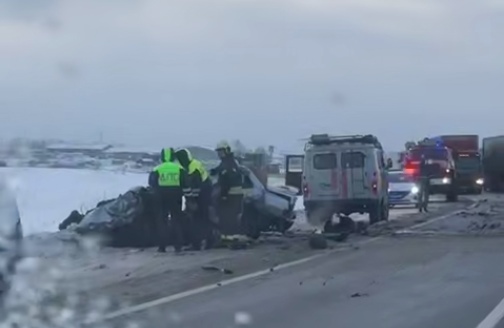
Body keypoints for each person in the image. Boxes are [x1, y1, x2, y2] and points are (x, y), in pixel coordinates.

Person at [175, 148, 214, 250]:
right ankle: (208, 241)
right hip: (205, 194)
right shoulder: (193, 164)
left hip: (202, 196)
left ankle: (197, 244)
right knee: (203, 219)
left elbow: (195, 186)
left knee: (197, 220)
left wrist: (192, 201)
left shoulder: (192, 169)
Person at [148, 148, 186, 253]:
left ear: (162, 156)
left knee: (162, 221)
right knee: (177, 220)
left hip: (161, 197)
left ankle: (162, 247)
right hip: (176, 196)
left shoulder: (157, 169)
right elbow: (185, 182)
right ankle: (178, 246)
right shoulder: (179, 168)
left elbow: (151, 183)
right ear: (173, 157)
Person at [210, 141, 245, 240]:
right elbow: (220, 169)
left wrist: (223, 195)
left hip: (231, 196)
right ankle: (228, 236)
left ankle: (230, 237)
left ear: (227, 150)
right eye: (218, 152)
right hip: (232, 195)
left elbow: (227, 180)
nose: (219, 154)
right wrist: (213, 171)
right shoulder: (228, 161)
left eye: (221, 151)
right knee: (227, 216)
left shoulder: (229, 164)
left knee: (228, 217)